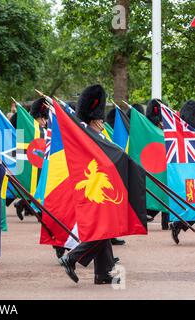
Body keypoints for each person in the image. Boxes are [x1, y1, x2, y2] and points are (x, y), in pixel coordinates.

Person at [58, 84, 118, 285]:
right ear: (93, 119)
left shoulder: (94, 135)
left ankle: (104, 272)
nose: (103, 122)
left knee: (105, 227)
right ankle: (72, 257)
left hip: (97, 186)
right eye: (100, 118)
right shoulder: (86, 135)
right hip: (93, 188)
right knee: (105, 227)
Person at [169, 100, 195, 244]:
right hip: (189, 172)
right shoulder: (183, 135)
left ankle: (178, 224)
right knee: (192, 201)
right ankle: (178, 224)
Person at [145, 99, 170, 230]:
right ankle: (147, 213)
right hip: (153, 164)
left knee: (165, 189)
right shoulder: (150, 130)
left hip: (164, 164)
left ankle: (164, 221)